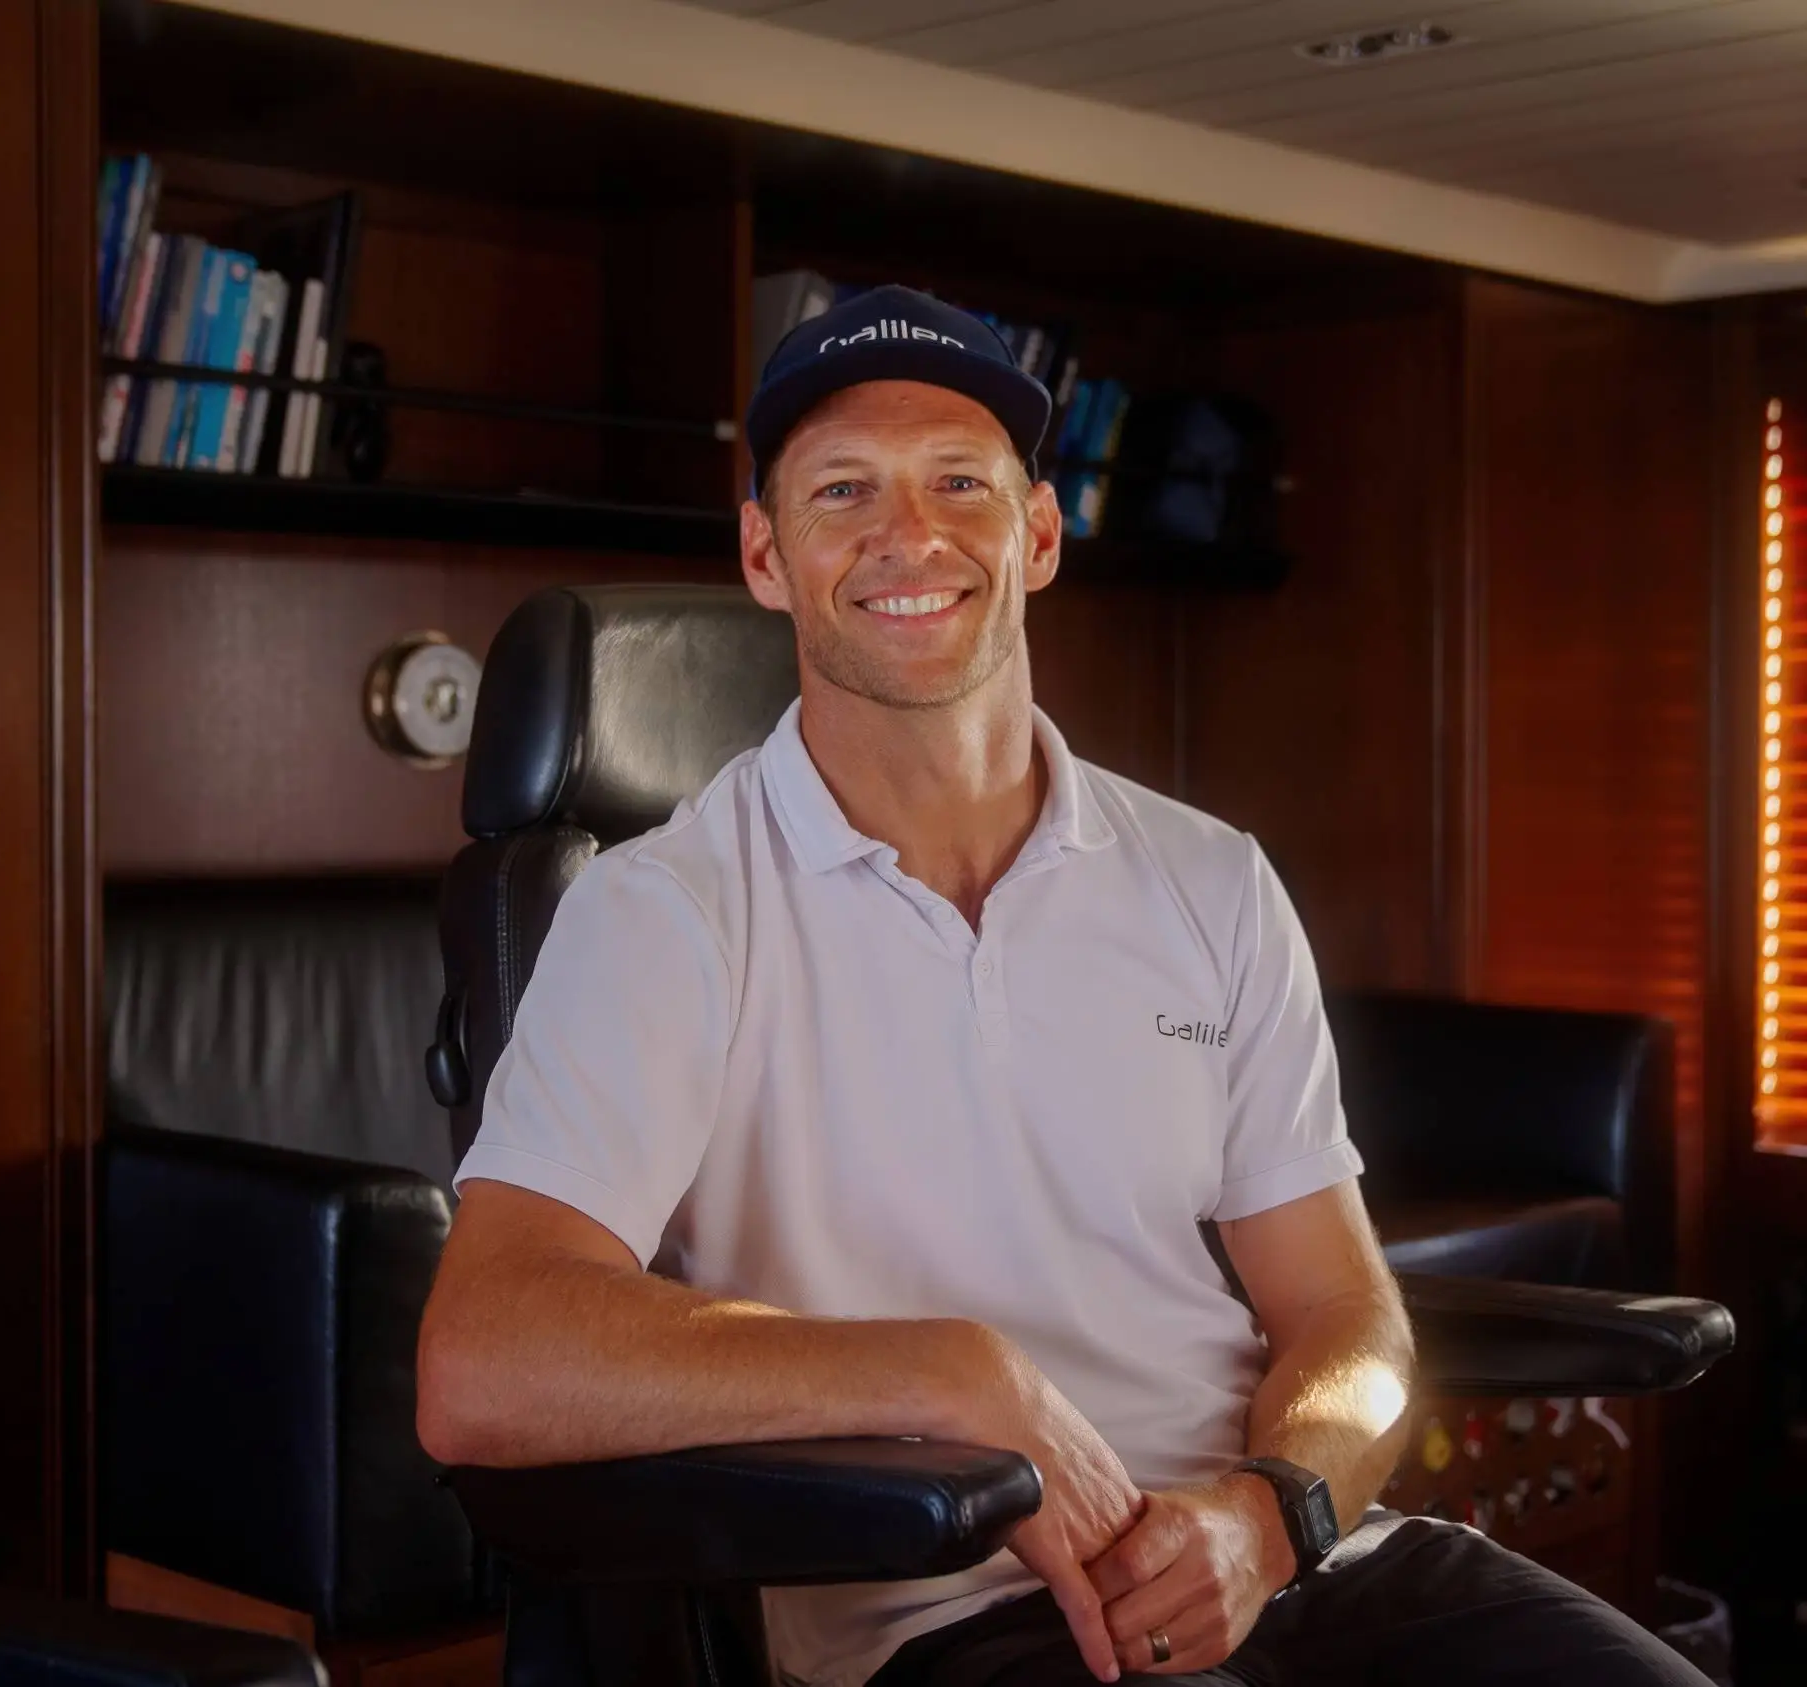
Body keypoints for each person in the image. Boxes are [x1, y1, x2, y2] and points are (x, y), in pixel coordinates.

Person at [415, 285, 1705, 1687]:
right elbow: (483, 1359)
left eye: (957, 483)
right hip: (956, 1612)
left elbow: (1348, 1313)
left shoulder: (1210, 879)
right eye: (843, 489)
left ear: (1035, 536)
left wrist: (1271, 1513)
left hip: (1303, 1568)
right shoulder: (664, 912)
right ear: (765, 556)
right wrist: (951, 1372)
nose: (907, 534)